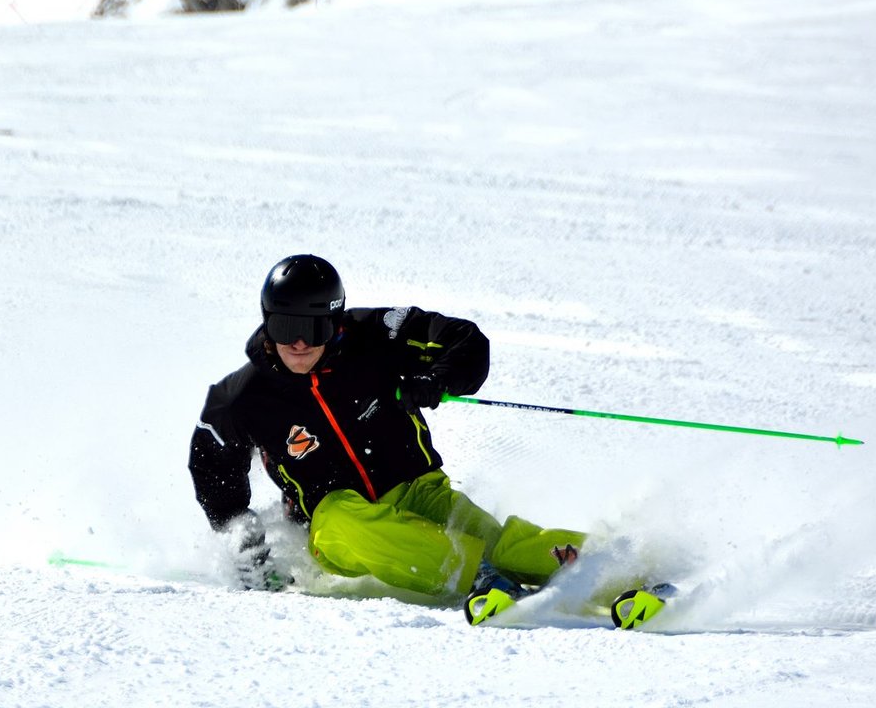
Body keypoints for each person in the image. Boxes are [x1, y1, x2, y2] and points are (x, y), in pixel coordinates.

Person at [188, 255, 588, 626]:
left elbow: (463, 339)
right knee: (341, 519)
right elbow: (210, 460)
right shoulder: (244, 398)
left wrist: (437, 377)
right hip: (336, 525)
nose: (300, 343)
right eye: (285, 327)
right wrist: (241, 535)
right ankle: (477, 575)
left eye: (314, 328)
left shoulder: (376, 336)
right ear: (267, 322)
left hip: (419, 491)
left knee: (499, 545)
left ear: (335, 322)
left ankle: (608, 567)